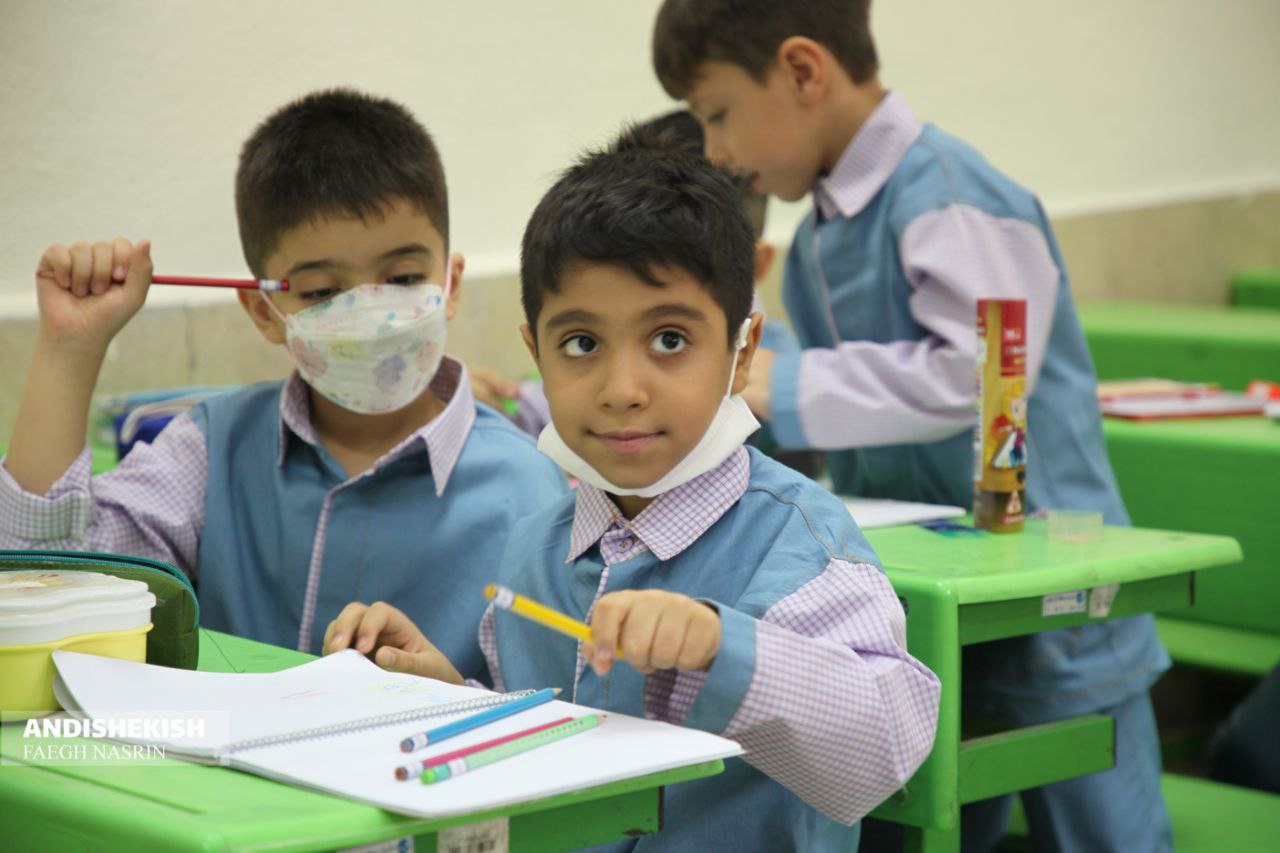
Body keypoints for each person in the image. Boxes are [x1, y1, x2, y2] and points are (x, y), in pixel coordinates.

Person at [325, 124, 940, 851]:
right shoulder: (537, 547)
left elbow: (884, 755)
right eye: (581, 344)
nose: (622, 389)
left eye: (669, 340)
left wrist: (723, 647)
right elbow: (548, 739)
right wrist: (448, 695)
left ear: (743, 351)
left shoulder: (801, 548)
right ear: (536, 353)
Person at [651, 2, 1173, 850]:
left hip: (1057, 593)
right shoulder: (823, 232)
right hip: (938, 598)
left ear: (803, 71)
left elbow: (981, 377)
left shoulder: (953, 196)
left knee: (1107, 831)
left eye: (718, 113)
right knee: (937, 817)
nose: (715, 151)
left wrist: (785, 382)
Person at [0, 89, 566, 676]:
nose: (370, 316)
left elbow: (556, 700)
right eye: (321, 291)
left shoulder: (525, 488)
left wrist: (452, 689)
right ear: (264, 311)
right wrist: (68, 350)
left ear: (449, 285)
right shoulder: (212, 450)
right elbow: (48, 581)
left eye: (402, 278)